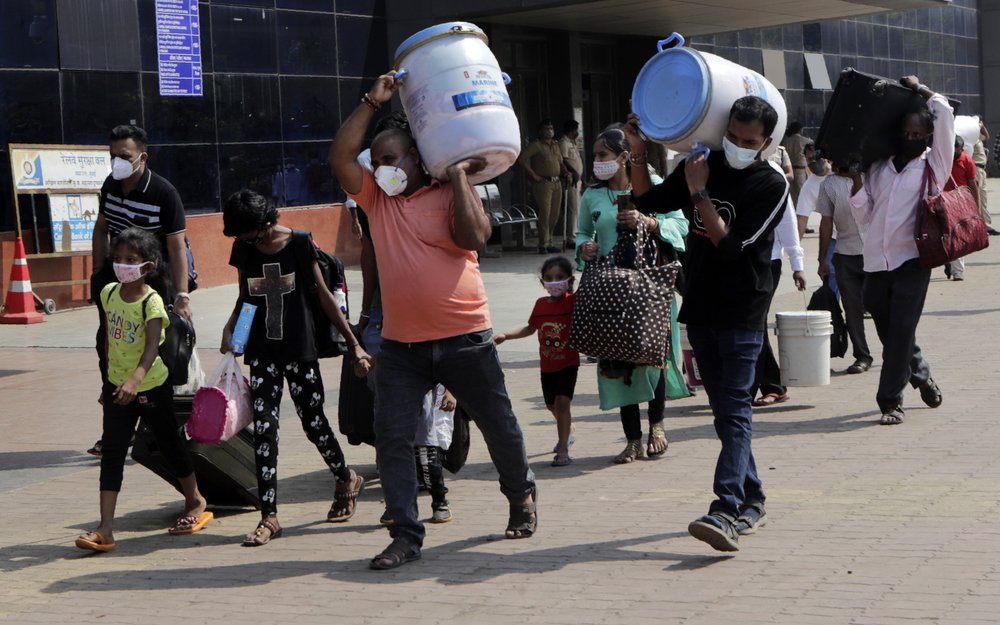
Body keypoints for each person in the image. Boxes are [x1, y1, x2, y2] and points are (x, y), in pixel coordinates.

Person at [330, 72, 537, 570]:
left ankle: (520, 495)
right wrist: (369, 102)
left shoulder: (449, 191)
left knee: (498, 425)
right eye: (376, 162)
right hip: (402, 346)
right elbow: (340, 157)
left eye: (390, 160)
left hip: (466, 337)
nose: (380, 170)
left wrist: (460, 175)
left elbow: (474, 237)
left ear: (419, 159)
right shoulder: (377, 200)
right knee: (393, 437)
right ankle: (405, 532)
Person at [627, 95, 789, 551]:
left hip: (742, 311)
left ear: (766, 142)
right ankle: (753, 499)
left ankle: (724, 509)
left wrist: (700, 193)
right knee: (725, 415)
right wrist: (639, 151)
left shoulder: (770, 184)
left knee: (736, 411)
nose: (738, 145)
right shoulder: (703, 162)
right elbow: (649, 198)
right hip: (699, 305)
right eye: (733, 137)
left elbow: (732, 247)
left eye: (749, 141)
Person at [220, 190, 371, 546]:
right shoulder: (244, 249)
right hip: (262, 351)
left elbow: (323, 294)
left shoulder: (300, 244)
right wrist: (234, 333)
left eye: (246, 233)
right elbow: (246, 297)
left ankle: (345, 476)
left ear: (264, 224)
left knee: (313, 422)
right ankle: (269, 517)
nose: (242, 241)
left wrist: (354, 344)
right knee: (266, 431)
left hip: (300, 349)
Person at [76, 228, 210, 553]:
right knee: (113, 451)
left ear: (147, 266)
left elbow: (151, 348)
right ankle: (105, 528)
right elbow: (108, 340)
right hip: (117, 388)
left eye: (131, 260)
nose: (123, 265)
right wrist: (107, 382)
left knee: (168, 442)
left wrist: (134, 380)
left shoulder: (152, 303)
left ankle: (195, 500)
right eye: (118, 259)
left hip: (150, 385)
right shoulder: (109, 293)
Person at [576, 128, 690, 464]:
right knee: (618, 358)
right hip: (611, 293)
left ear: (625, 157)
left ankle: (657, 426)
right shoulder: (592, 196)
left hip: (651, 287)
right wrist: (585, 247)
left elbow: (680, 226)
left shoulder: (653, 186)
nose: (597, 162)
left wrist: (650, 223)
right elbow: (582, 232)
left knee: (654, 356)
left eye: (602, 155)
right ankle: (631, 439)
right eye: (595, 156)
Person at [848, 76, 951, 426]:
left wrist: (921, 89)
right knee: (890, 331)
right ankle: (920, 372)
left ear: (928, 137)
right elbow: (863, 214)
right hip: (876, 260)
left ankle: (890, 401)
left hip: (914, 260)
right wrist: (856, 180)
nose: (912, 138)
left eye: (919, 134)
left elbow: (945, 111)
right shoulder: (879, 168)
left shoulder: (933, 166)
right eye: (907, 133)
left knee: (902, 329)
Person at [88, 125, 193, 458]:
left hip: (152, 281)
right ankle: (116, 429)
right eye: (112, 156)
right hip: (115, 280)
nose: (117, 163)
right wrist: (98, 273)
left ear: (142, 157)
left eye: (125, 156)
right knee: (110, 348)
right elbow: (101, 228)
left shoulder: (164, 193)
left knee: (151, 351)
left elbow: (177, 248)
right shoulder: (110, 185)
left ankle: (156, 427)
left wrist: (181, 295)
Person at [494, 256, 581, 467]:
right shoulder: (540, 305)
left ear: (570, 281)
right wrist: (506, 335)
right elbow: (530, 328)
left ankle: (563, 449)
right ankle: (568, 428)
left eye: (560, 277)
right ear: (543, 283)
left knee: (562, 403)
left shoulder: (574, 301)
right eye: (549, 278)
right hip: (547, 366)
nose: (554, 282)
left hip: (568, 363)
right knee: (552, 405)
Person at [817, 164, 874, 374]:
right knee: (852, 310)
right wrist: (822, 258)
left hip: (876, 254)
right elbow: (826, 222)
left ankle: (896, 352)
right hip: (845, 254)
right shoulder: (829, 185)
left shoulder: (872, 177)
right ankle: (862, 355)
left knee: (882, 307)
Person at [751, 201, 807, 407]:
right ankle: (765, 385)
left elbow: (788, 223)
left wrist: (797, 266)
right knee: (751, 324)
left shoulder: (772, 177)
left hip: (767, 262)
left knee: (755, 323)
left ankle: (769, 386)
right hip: (737, 262)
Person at [520, 119, 569, 253]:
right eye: (546, 128)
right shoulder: (536, 145)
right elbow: (522, 159)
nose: (549, 131)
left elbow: (560, 162)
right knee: (545, 214)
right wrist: (533, 174)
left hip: (557, 183)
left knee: (555, 214)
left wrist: (565, 171)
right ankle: (543, 244)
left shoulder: (555, 144)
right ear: (541, 131)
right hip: (543, 184)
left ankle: (550, 242)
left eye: (551, 128)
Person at [943, 135, 979, 282]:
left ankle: (958, 271)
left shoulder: (967, 160)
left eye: (956, 150)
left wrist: (975, 206)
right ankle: (947, 261)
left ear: (962, 149)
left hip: (960, 202)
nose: (953, 152)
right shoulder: (942, 158)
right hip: (942, 201)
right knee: (944, 236)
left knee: (957, 236)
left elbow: (973, 184)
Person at [559, 120, 584, 247]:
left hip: (577, 180)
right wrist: (574, 172)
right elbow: (563, 160)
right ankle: (571, 238)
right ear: (571, 130)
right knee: (572, 209)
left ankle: (575, 234)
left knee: (577, 208)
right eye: (576, 130)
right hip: (570, 180)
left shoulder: (572, 143)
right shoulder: (563, 142)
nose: (577, 132)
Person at [782, 121, 810, 204]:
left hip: (788, 170)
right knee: (801, 194)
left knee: (791, 194)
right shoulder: (806, 141)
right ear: (800, 130)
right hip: (800, 171)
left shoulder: (786, 141)